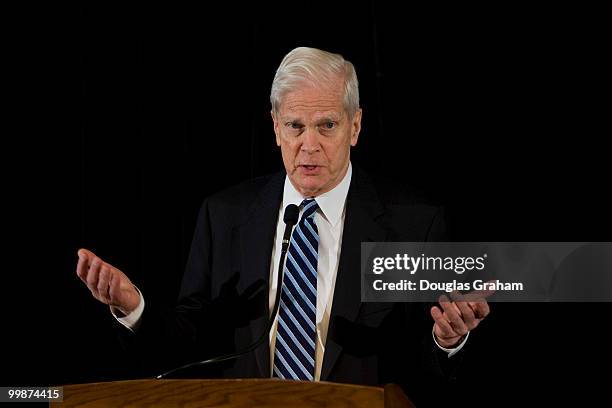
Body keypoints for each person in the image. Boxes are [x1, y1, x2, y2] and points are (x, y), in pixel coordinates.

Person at [76, 46, 490, 404]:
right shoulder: (225, 216)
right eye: (295, 126)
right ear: (276, 127)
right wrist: (135, 309)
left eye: (327, 125)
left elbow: (424, 362)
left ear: (356, 126)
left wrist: (447, 341)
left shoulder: (414, 222)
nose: (309, 145)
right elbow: (190, 343)